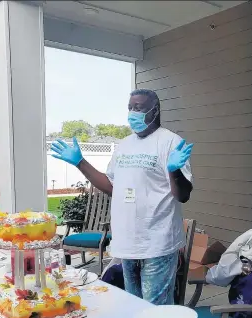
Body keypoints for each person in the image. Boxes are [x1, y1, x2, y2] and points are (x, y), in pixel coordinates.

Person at [50, 89, 193, 305]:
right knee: (132, 306)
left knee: (155, 310)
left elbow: (182, 195)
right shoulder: (124, 145)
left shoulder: (170, 142)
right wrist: (80, 162)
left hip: (157, 243)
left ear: (155, 110)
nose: (132, 113)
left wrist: (174, 170)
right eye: (130, 108)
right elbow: (111, 187)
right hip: (127, 242)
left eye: (139, 108)